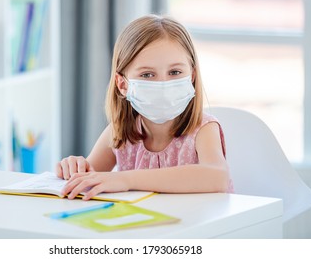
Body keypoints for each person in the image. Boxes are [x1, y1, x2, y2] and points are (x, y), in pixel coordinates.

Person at [57, 14, 233, 200]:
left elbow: (217, 177)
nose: (163, 84)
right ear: (123, 84)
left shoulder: (204, 129)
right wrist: (74, 168)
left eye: (175, 72)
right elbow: (90, 179)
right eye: (147, 75)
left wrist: (126, 179)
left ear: (192, 76)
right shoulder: (120, 132)